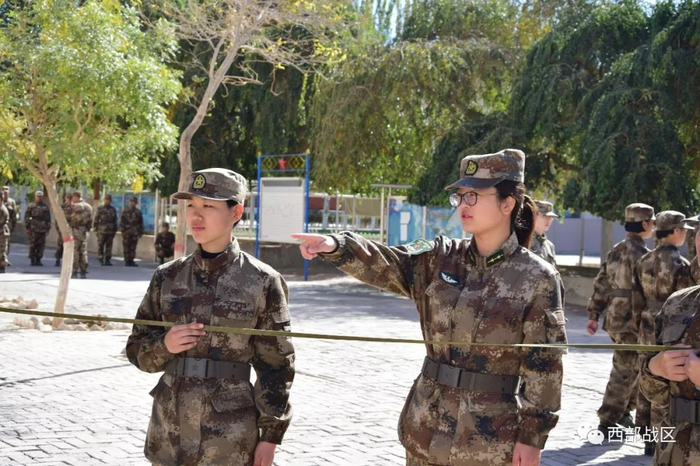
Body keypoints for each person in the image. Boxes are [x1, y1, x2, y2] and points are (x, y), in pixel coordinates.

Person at [294, 149, 567, 466]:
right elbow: (387, 262)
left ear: (507, 204)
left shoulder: (537, 278)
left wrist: (532, 438)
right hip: (425, 428)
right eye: (460, 196)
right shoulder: (440, 258)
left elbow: (545, 367)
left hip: (488, 442)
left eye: (474, 196)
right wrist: (337, 246)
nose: (463, 205)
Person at [126, 168, 294, 466]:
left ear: (236, 212)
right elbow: (136, 349)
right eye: (191, 205)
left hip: (229, 440)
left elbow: (277, 366)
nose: (195, 215)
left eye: (208, 206)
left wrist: (270, 436)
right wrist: (165, 345)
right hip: (170, 434)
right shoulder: (168, 276)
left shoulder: (262, 281)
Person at [586, 203, 655, 438]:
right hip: (631, 320)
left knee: (633, 367)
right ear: (644, 224)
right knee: (624, 370)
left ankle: (624, 412)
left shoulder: (616, 249)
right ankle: (608, 419)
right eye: (652, 222)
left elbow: (601, 282)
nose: (653, 227)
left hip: (616, 316)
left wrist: (594, 314)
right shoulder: (644, 255)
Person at [632, 210, 695, 455]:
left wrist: (639, 323)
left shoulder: (644, 259)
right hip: (675, 326)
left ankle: (646, 433)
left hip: (647, 323)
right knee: (666, 377)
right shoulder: (681, 264)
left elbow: (636, 298)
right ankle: (659, 435)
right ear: (676, 231)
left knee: (647, 373)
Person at [69, 192, 93, 279]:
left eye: (73, 197)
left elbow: (70, 216)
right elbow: (90, 221)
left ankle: (74, 271)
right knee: (83, 252)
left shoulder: (76, 205)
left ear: (76, 197)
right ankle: (83, 272)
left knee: (75, 251)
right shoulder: (89, 207)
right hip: (84, 231)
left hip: (76, 230)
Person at [24, 190, 51, 266]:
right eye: (38, 196)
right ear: (35, 197)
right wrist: (27, 227)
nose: (39, 198)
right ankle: (32, 259)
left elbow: (48, 218)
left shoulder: (45, 207)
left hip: (42, 228)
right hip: (33, 228)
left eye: (40, 196)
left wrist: (48, 228)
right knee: (33, 244)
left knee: (41, 245)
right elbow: (27, 216)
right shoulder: (31, 206)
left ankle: (38, 259)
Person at [530, 200, 558, 267]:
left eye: (551, 217)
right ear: (533, 216)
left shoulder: (549, 246)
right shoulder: (523, 241)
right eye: (544, 216)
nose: (549, 220)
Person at [93, 194, 118, 266]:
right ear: (104, 200)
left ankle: (107, 259)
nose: (107, 201)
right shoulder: (100, 209)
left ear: (110, 201)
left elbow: (115, 220)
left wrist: (115, 230)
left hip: (110, 230)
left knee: (109, 246)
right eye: (106, 200)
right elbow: (96, 219)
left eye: (108, 200)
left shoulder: (113, 209)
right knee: (100, 245)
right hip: (101, 230)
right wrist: (96, 229)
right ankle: (100, 257)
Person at [120, 196, 143, 266]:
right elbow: (122, 222)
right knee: (126, 247)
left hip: (134, 232)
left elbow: (140, 223)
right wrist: (122, 231)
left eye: (134, 202)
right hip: (127, 232)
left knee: (133, 247)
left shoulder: (138, 212)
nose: (132, 203)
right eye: (131, 201)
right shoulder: (125, 211)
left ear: (136, 203)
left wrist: (140, 232)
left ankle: (131, 260)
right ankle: (127, 260)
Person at [55, 195, 72, 267]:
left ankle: (69, 260)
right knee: (60, 245)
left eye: (70, 199)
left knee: (70, 246)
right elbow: (58, 218)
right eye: (67, 199)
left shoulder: (74, 207)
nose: (68, 200)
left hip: (71, 228)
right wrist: (58, 228)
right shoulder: (62, 207)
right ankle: (58, 258)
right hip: (63, 229)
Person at [2, 186, 17, 266]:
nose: (5, 194)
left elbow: (14, 215)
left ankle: (5, 258)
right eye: (4, 192)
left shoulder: (12, 202)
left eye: (6, 192)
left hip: (8, 226)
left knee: (6, 243)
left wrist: (13, 226)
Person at [0, 200, 9, 273]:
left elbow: (2, 221)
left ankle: (2, 267)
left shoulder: (3, 209)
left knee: (2, 250)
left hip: (2, 232)